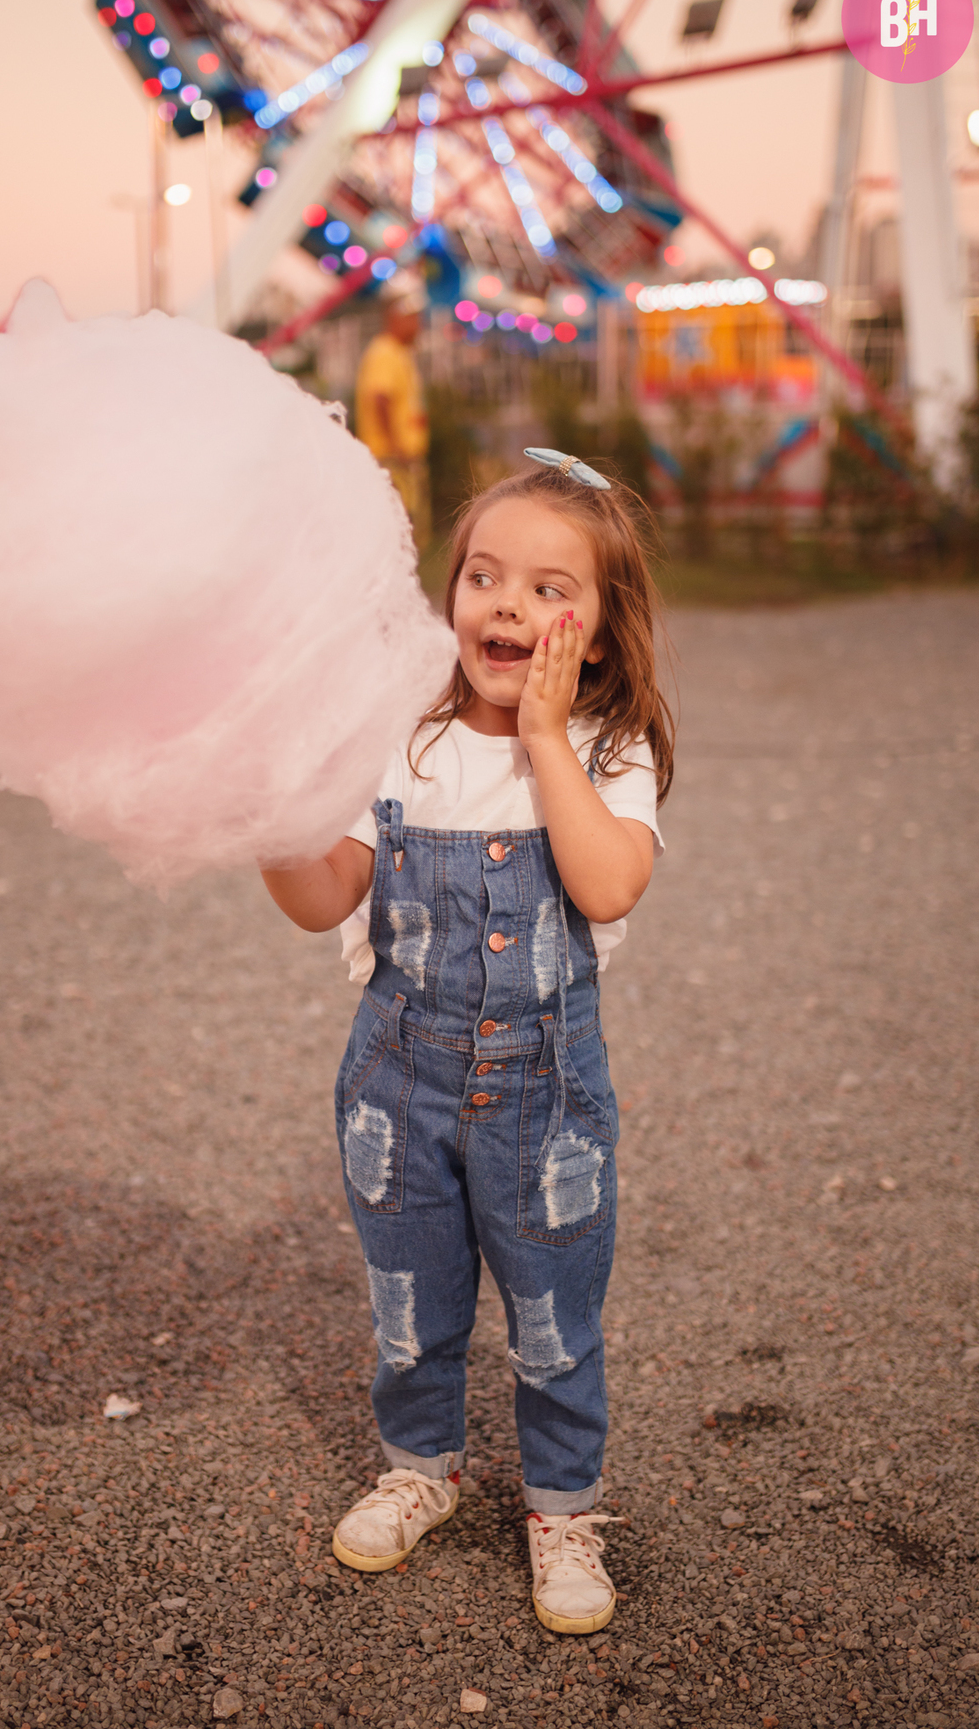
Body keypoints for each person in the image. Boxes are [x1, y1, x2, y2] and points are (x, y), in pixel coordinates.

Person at [260, 449, 674, 1635]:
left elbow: (604, 886)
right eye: (483, 576)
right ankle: (421, 1466)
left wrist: (545, 739)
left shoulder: (606, 751)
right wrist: (263, 809)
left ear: (596, 634)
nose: (506, 603)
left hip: (544, 1102)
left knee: (552, 1318)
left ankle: (561, 1508)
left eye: (549, 588)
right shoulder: (401, 740)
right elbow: (320, 895)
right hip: (396, 1084)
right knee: (411, 1302)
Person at [354, 300, 431, 551]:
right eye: (414, 319)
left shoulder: (399, 352)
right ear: (395, 318)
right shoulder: (384, 351)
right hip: (390, 457)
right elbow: (379, 399)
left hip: (399, 456)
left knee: (407, 526)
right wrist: (397, 445)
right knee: (398, 526)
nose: (419, 326)